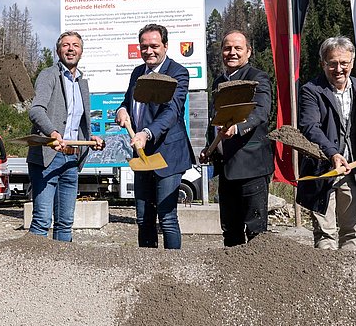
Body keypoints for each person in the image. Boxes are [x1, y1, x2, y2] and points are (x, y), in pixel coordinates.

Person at [297, 36, 356, 251]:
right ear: (323, 63)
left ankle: (350, 279)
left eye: (344, 63)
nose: (338, 68)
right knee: (325, 235)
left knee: (351, 233)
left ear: (352, 62)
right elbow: (310, 127)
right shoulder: (311, 90)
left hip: (353, 171)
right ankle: (326, 280)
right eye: (332, 63)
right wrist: (332, 154)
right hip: (323, 171)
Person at [115, 23, 195, 249]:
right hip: (142, 156)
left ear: (166, 46)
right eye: (144, 47)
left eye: (154, 46)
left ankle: (172, 271)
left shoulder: (177, 72)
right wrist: (121, 110)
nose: (149, 51)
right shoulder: (138, 72)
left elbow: (172, 111)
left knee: (167, 219)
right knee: (143, 219)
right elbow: (127, 103)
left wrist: (146, 133)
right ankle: (148, 269)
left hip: (167, 154)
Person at [199, 30, 274, 246]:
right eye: (227, 48)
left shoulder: (257, 78)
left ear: (248, 52)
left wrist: (239, 127)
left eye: (238, 48)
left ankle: (257, 277)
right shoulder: (219, 82)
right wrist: (209, 148)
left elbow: (261, 111)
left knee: (256, 231)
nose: (232, 53)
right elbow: (216, 120)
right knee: (230, 231)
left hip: (251, 167)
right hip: (226, 169)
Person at [27, 31, 104, 242]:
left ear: (81, 51)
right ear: (58, 50)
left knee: (65, 223)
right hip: (48, 158)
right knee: (42, 220)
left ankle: (62, 269)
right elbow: (36, 111)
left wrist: (91, 139)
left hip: (72, 159)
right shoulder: (49, 75)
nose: (71, 49)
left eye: (75, 45)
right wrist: (53, 133)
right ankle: (32, 268)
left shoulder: (82, 83)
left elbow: (78, 123)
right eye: (66, 45)